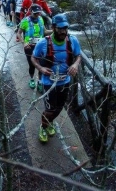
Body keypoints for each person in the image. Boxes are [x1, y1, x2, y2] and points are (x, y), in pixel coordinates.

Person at [31, 13, 82, 143]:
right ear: (53, 27)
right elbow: (33, 58)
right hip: (48, 82)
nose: (63, 31)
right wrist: (41, 69)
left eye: (65, 28)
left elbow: (78, 56)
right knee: (50, 109)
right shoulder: (43, 43)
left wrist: (75, 65)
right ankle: (43, 127)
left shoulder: (72, 41)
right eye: (60, 28)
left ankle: (50, 122)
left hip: (65, 81)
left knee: (59, 107)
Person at [17, 4, 49, 90]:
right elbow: (19, 33)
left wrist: (55, 30)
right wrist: (23, 43)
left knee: (41, 63)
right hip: (29, 46)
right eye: (35, 13)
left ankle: (40, 81)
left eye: (39, 13)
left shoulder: (41, 19)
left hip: (41, 46)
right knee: (32, 64)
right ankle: (31, 79)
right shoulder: (25, 21)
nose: (37, 15)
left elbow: (45, 32)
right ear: (31, 12)